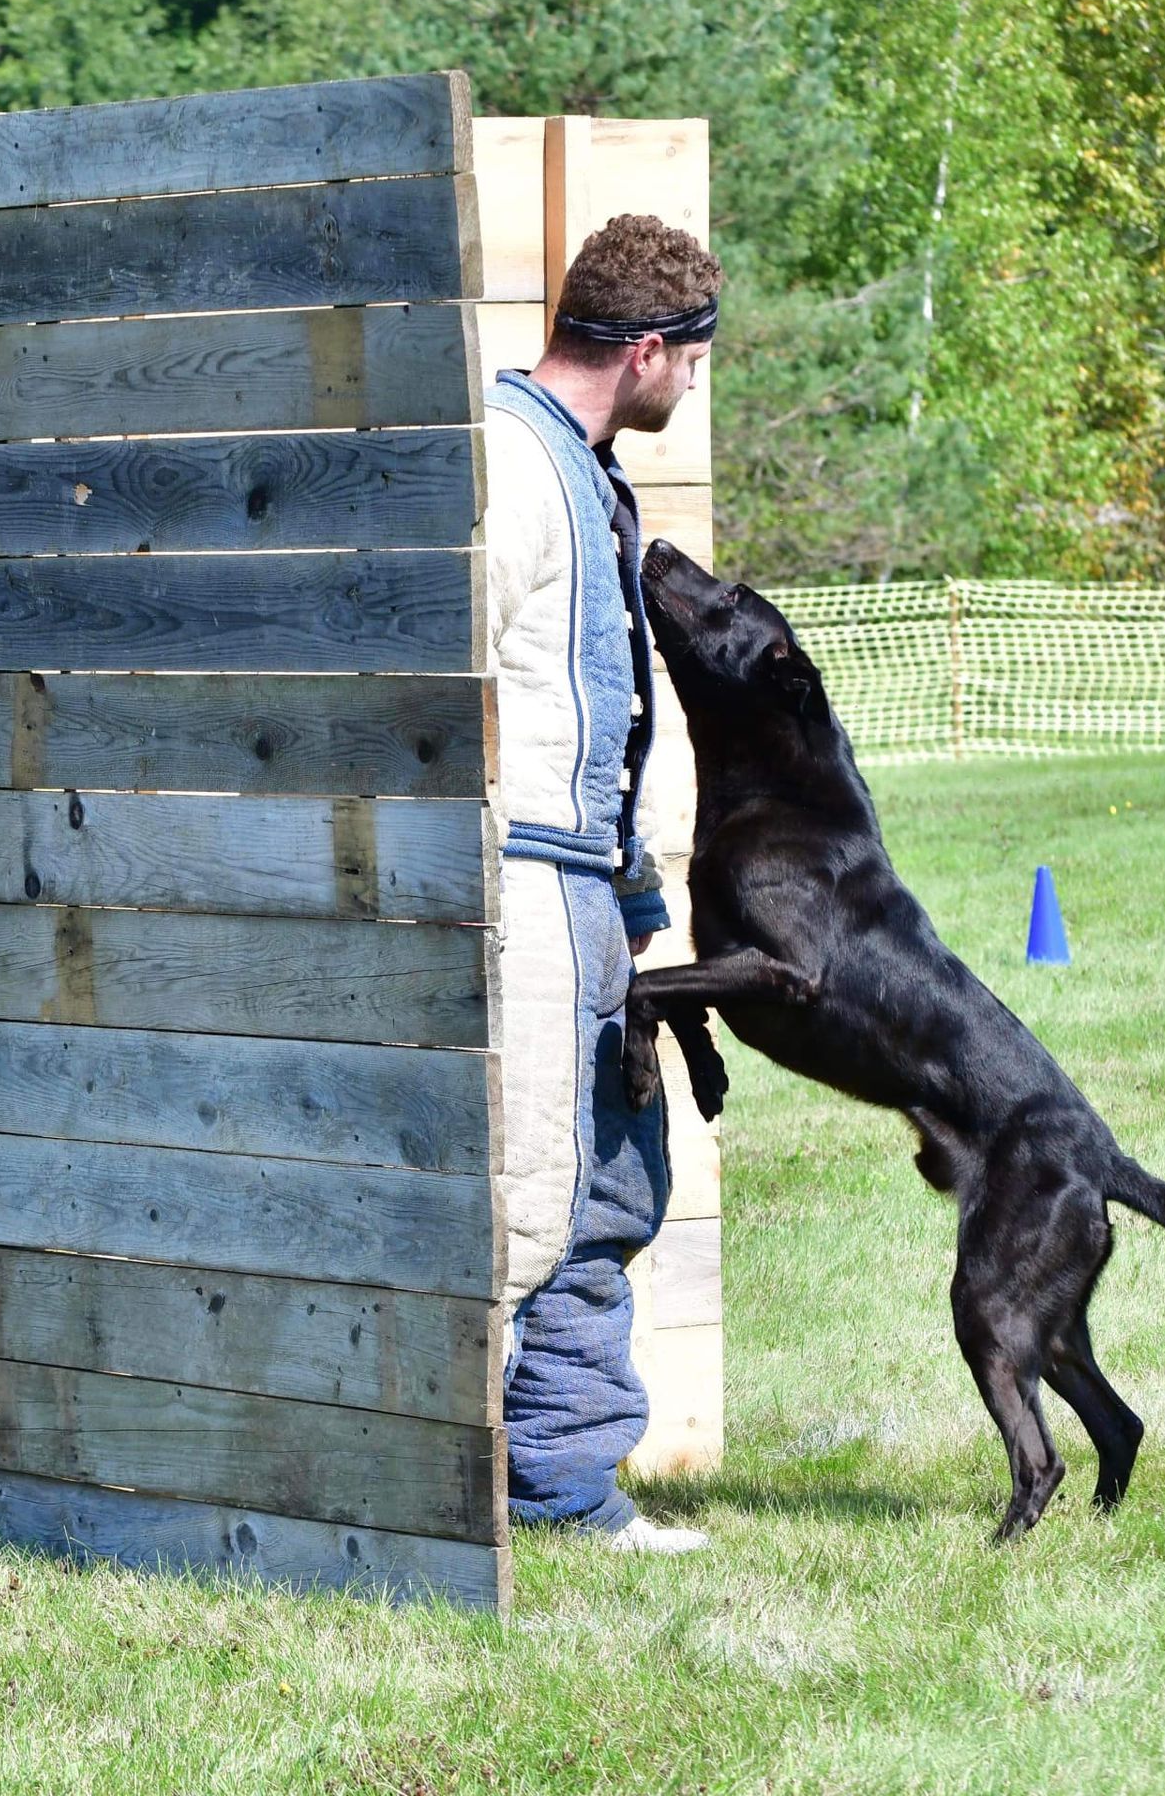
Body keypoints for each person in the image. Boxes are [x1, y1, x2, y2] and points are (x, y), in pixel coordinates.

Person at [484, 212, 722, 1551]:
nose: (692, 388)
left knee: (611, 1193)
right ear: (646, 351)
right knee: (523, 1205)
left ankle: (569, 1493)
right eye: (691, 363)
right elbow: (446, 690)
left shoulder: (581, 464)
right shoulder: (516, 471)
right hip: (513, 884)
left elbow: (592, 719)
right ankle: (465, 1490)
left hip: (580, 887)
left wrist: (635, 905)